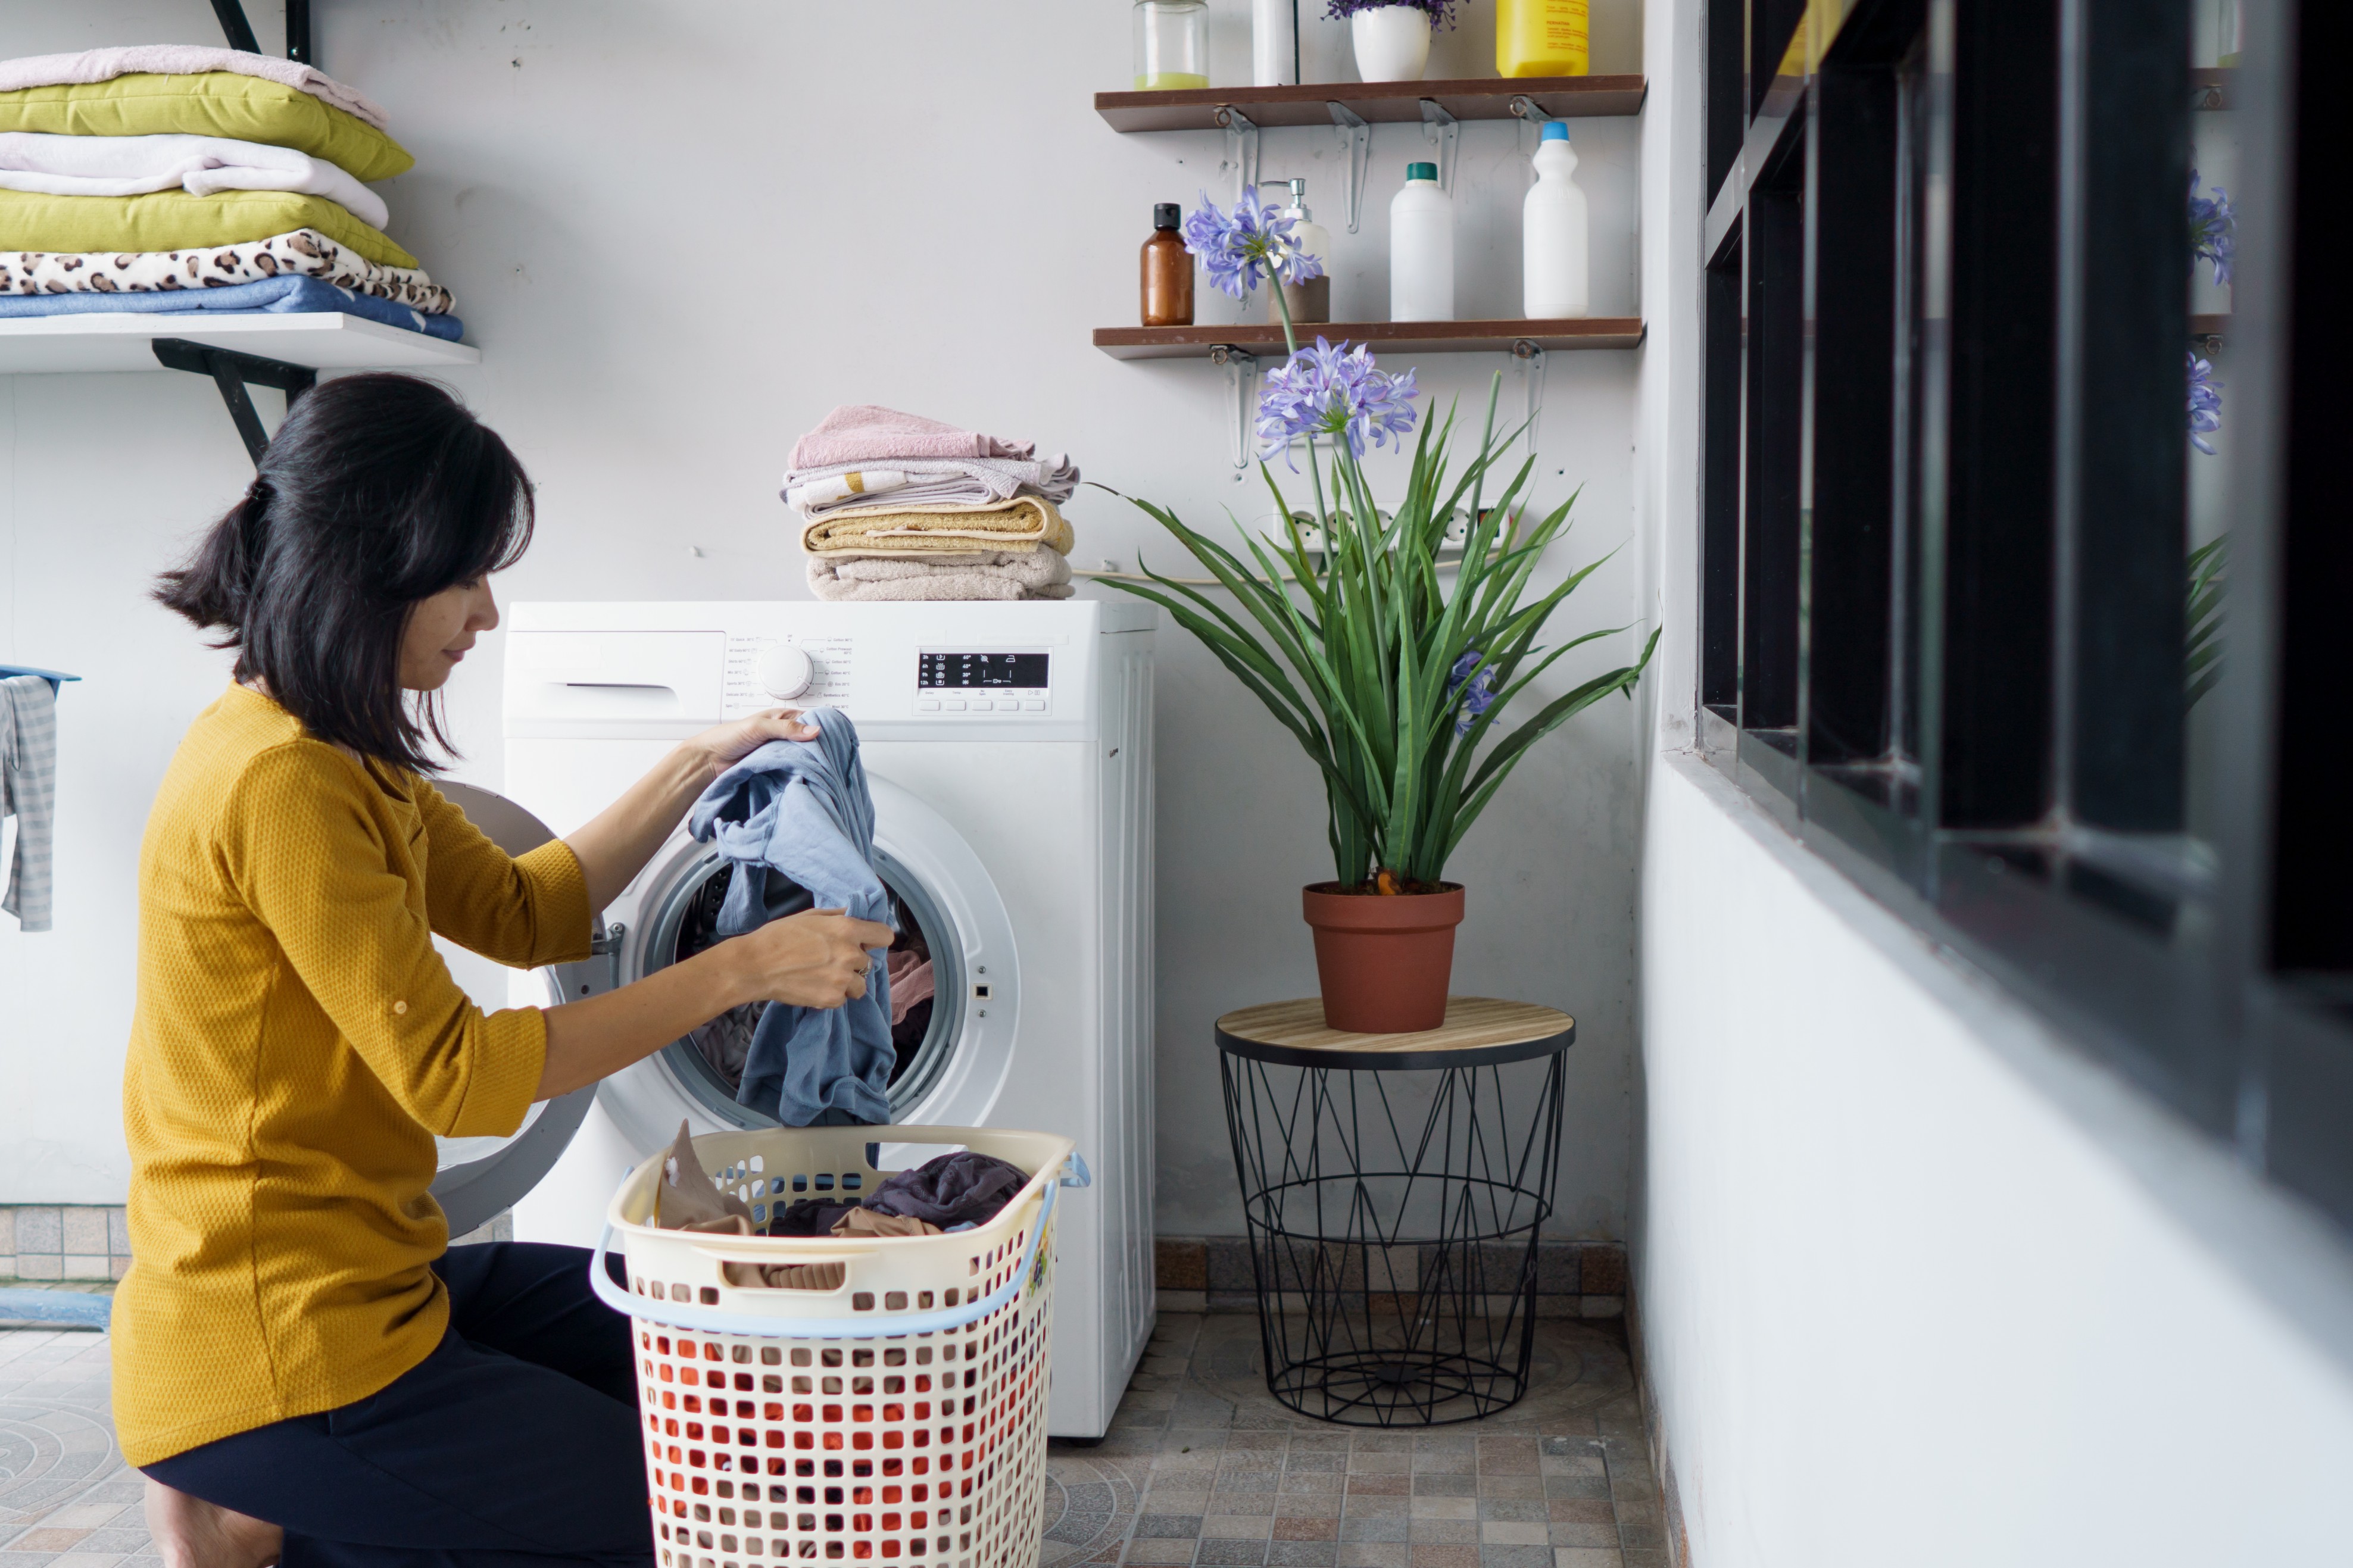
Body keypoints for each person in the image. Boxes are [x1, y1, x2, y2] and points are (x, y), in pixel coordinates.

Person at [118, 373, 895, 1568]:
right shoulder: (280, 779)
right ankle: (254, 1525)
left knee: (706, 1358)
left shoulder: (339, 750)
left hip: (376, 1293)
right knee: (708, 1530)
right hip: (287, 1353)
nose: (485, 612)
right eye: (466, 573)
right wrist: (739, 968)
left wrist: (698, 761)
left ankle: (267, 1527)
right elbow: (456, 1078)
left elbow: (533, 912)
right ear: (369, 565)